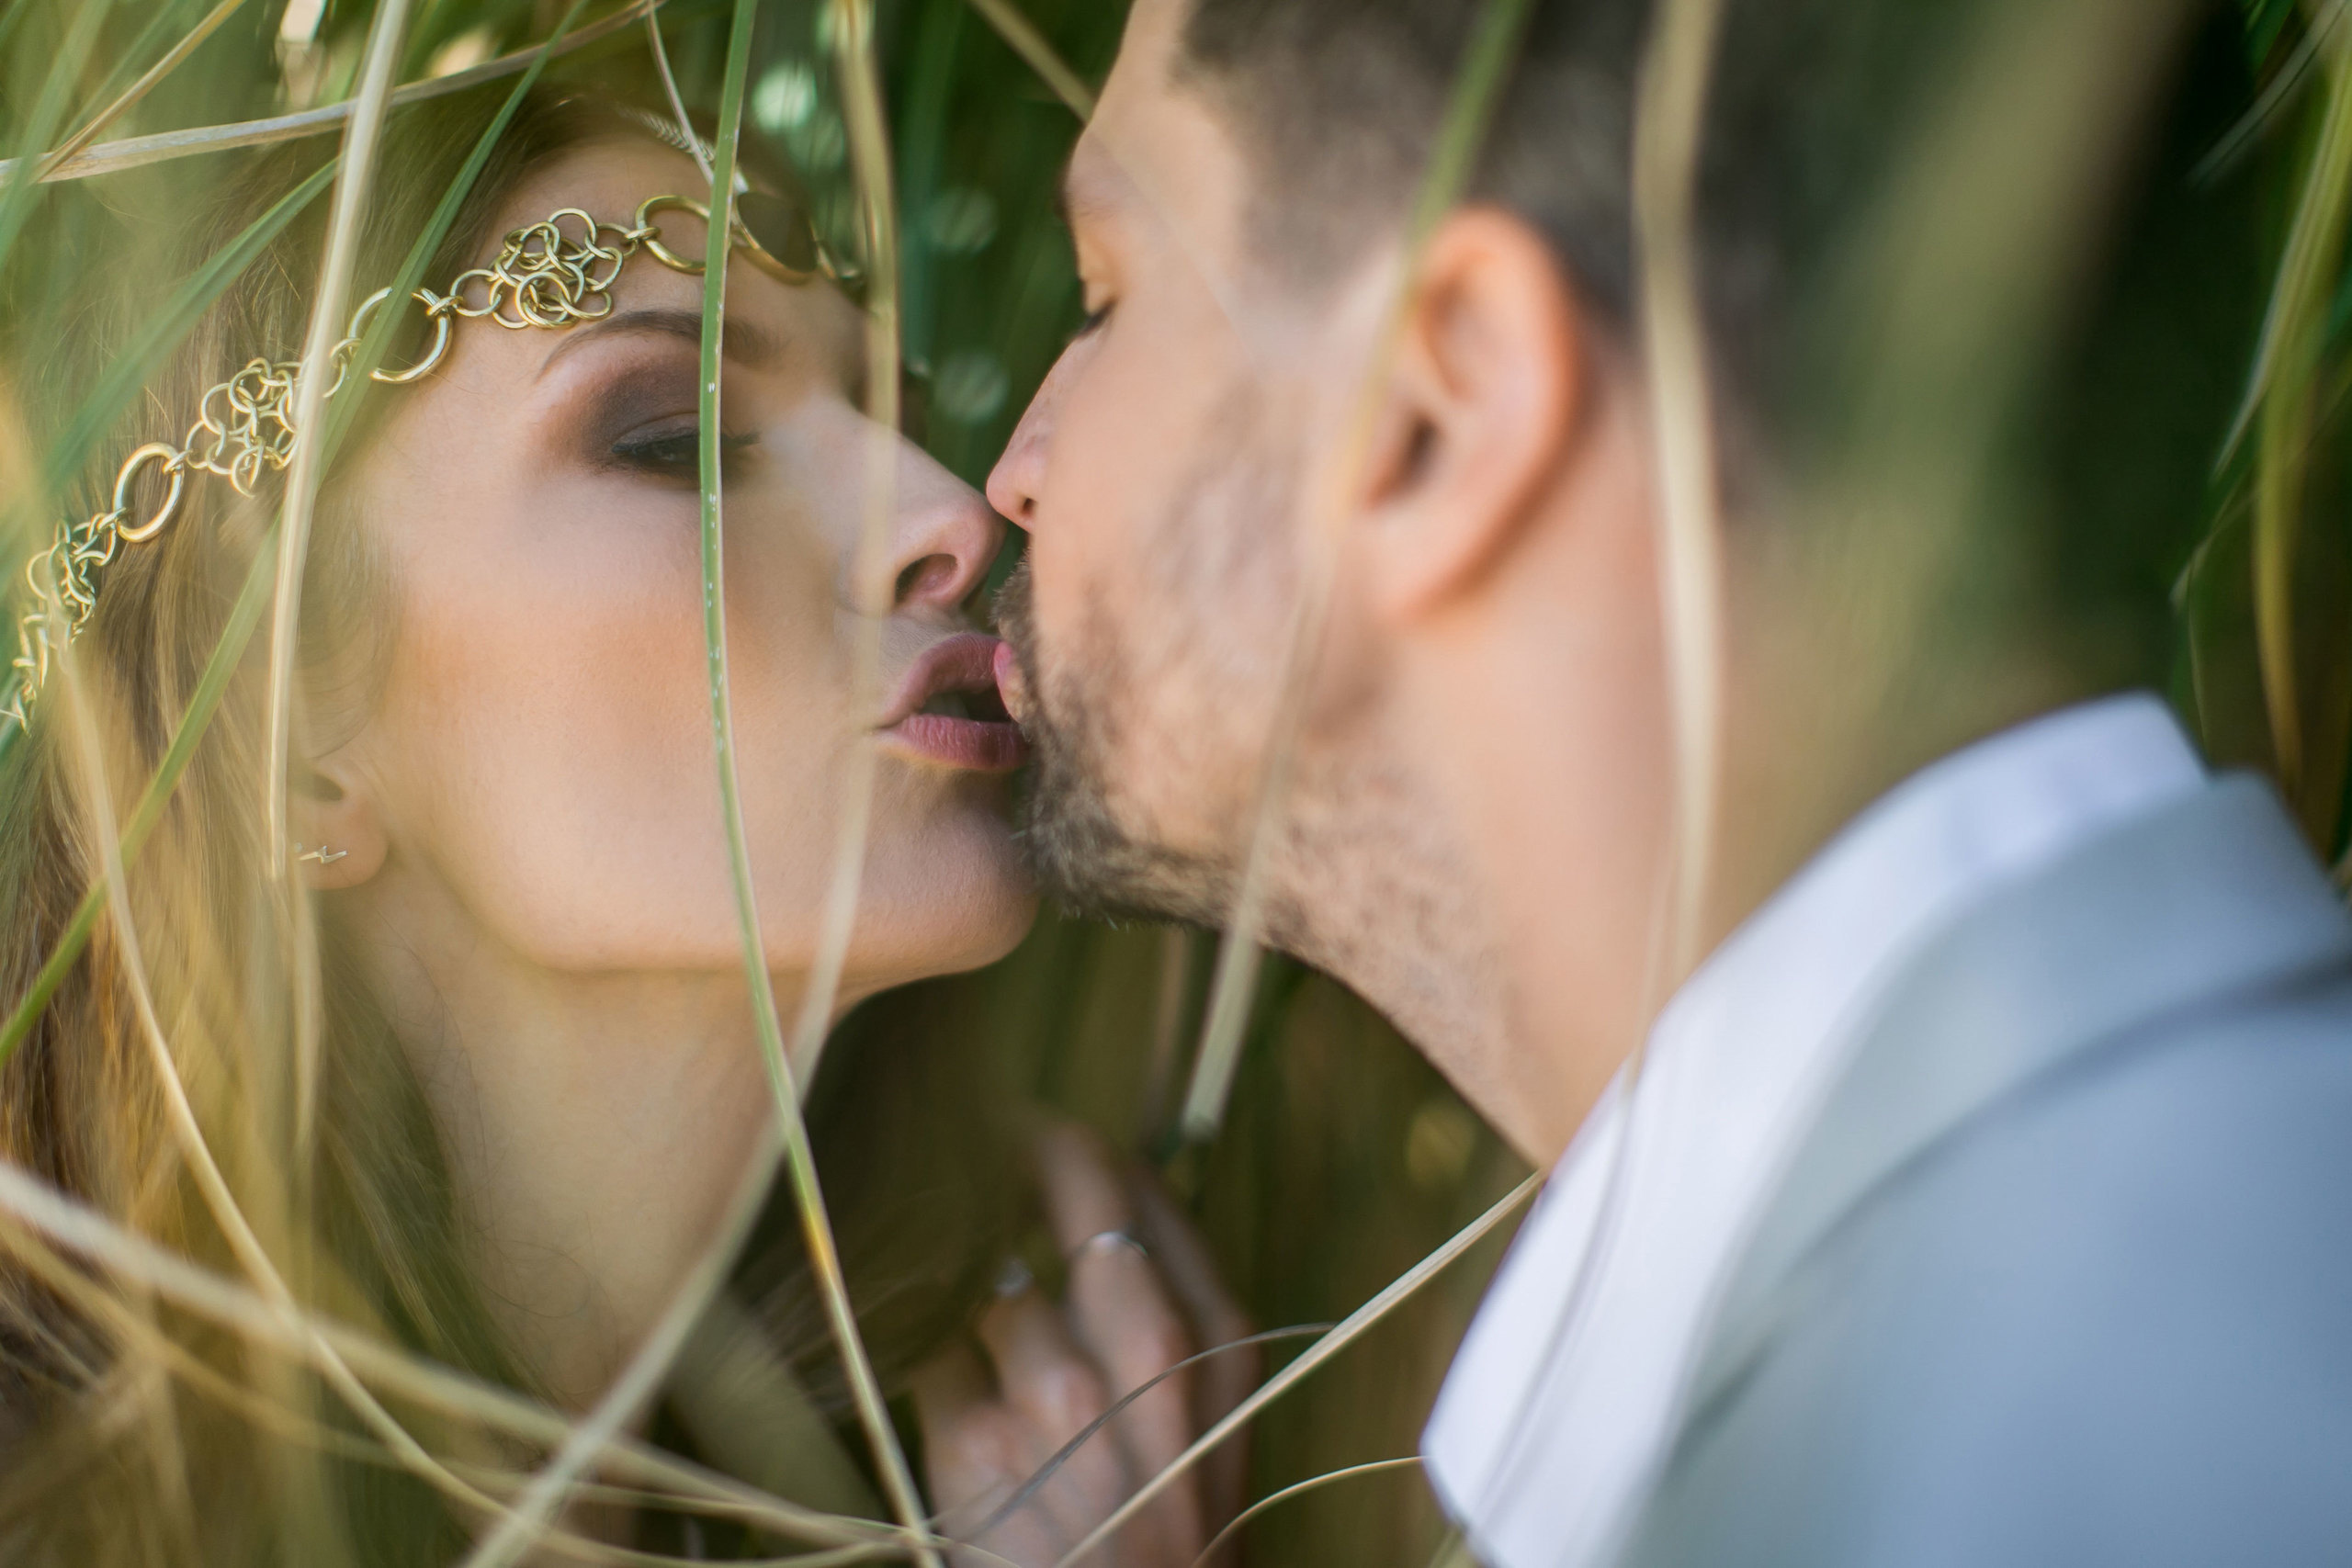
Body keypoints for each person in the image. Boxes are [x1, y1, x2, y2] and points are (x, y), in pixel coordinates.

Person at [987, 0, 2352, 1562]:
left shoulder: (2074, 1431)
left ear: (1437, 413)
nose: (1011, 468)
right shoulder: (2169, 1255)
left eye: (1107, 296)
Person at [0, 84, 1246, 1567]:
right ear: (278, 745)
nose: (950, 514)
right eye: (678, 440)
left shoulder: (932, 1482)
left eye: (900, 420)